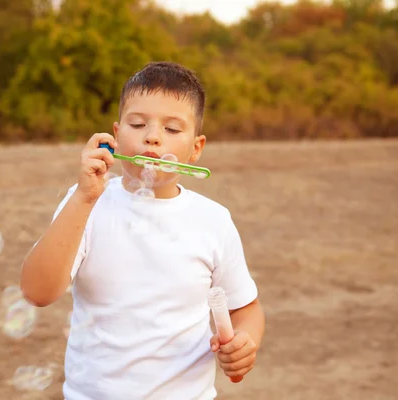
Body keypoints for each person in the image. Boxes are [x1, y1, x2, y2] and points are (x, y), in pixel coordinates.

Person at [20, 61, 265, 399]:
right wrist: (83, 197)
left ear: (196, 148)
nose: (152, 136)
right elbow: (37, 291)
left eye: (173, 129)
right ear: (116, 136)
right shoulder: (88, 204)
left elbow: (245, 309)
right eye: (138, 124)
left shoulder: (213, 221)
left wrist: (244, 342)